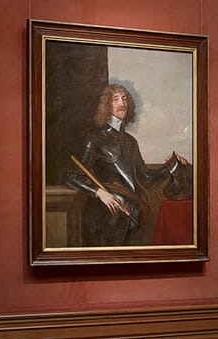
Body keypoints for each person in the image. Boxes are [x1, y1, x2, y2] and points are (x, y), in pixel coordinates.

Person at [64, 84, 190, 246]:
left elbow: (146, 179)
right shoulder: (94, 138)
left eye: (124, 99)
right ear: (107, 105)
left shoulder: (131, 142)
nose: (122, 103)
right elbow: (71, 176)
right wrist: (99, 193)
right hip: (106, 218)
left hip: (133, 217)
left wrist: (171, 165)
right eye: (115, 99)